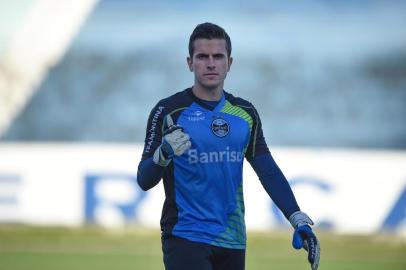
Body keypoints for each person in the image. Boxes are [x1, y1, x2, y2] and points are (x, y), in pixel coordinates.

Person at [137, 22, 320, 270]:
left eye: (217, 56)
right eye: (202, 56)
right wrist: (163, 154)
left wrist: (296, 217)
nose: (210, 63)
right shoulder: (169, 111)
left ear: (229, 63)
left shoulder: (245, 113)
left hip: (233, 239)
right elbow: (144, 179)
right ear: (190, 62)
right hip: (185, 236)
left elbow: (267, 170)